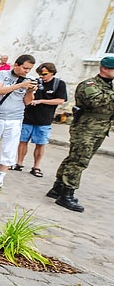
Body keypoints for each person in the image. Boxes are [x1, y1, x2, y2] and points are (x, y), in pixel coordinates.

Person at [47, 56, 114, 212]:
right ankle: (66, 195)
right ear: (104, 68)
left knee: (75, 158)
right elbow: (94, 102)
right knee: (79, 160)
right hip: (86, 128)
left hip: (101, 128)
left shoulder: (109, 87)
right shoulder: (89, 85)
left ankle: (58, 188)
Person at [0, 54, 38, 187]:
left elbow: (28, 102)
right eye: (25, 68)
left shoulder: (30, 79)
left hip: (15, 119)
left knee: (9, 149)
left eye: (29, 69)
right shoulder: (2, 74)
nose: (27, 71)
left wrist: (30, 91)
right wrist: (19, 86)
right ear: (16, 65)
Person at [13, 63, 66, 177]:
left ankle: (36, 167)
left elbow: (60, 100)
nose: (41, 76)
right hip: (28, 116)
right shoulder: (35, 82)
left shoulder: (58, 84)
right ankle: (19, 163)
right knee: (22, 141)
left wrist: (41, 101)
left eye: (44, 74)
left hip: (44, 119)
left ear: (52, 72)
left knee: (40, 144)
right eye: (40, 74)